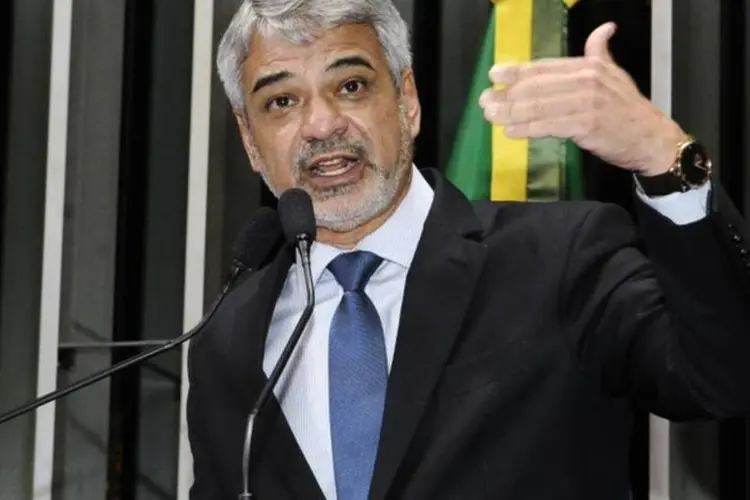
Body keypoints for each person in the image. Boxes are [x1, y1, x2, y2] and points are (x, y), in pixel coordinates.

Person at [187, 1, 750, 499]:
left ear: (406, 101)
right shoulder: (227, 339)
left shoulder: (557, 258)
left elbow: (721, 377)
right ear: (249, 140)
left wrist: (663, 157)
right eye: (282, 101)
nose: (321, 123)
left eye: (351, 86)